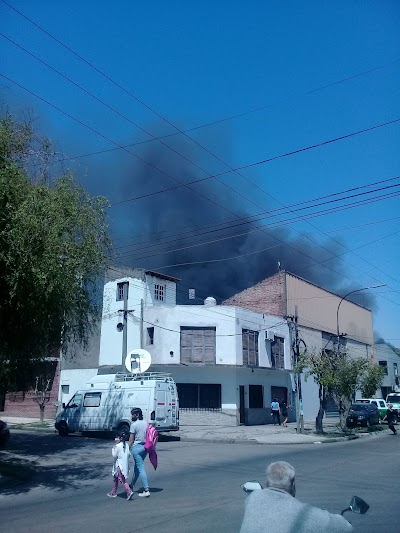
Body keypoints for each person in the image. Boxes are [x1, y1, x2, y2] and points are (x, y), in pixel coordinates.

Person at [240, 461, 353, 533]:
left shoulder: (254, 498)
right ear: (293, 484)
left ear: (267, 482)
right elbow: (346, 528)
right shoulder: (304, 513)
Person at [129, 407, 150, 497]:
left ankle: (146, 490)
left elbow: (131, 440)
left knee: (140, 468)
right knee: (137, 468)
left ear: (137, 415)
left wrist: (127, 449)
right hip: (145, 447)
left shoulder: (133, 425)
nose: (132, 417)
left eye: (133, 415)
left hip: (137, 448)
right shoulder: (146, 423)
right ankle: (131, 485)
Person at [107, 429, 134, 500]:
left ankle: (129, 491)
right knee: (115, 478)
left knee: (122, 480)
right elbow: (129, 454)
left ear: (120, 438)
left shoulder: (117, 446)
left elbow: (114, 455)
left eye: (117, 437)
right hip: (124, 465)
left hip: (119, 466)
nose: (115, 439)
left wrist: (113, 448)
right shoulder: (126, 445)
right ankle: (113, 492)